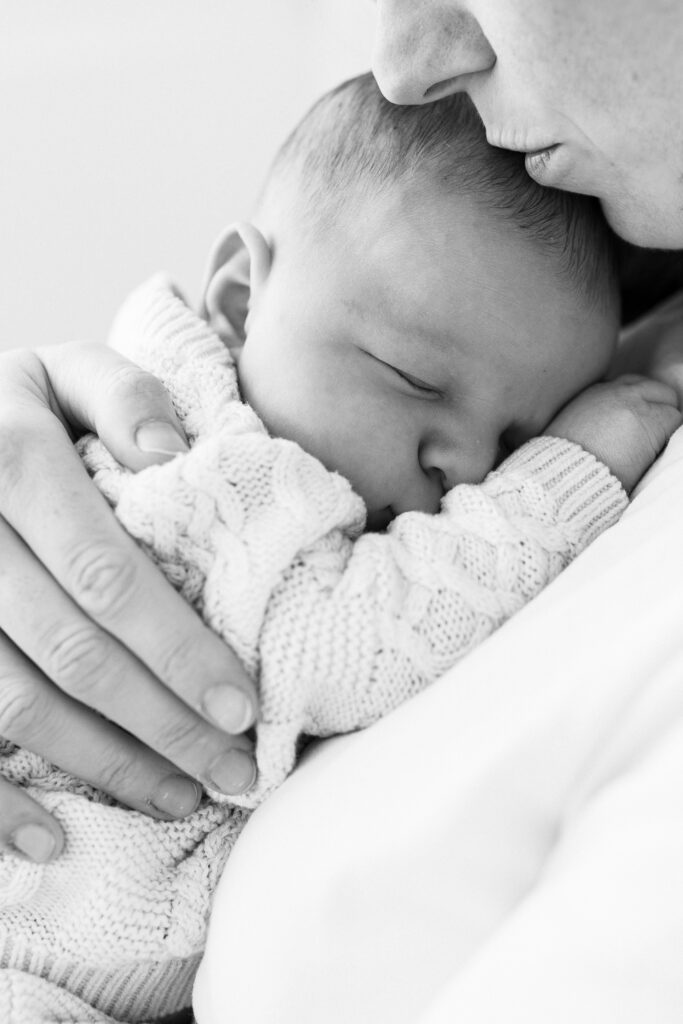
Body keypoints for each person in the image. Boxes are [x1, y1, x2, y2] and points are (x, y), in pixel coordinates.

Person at [2, 73, 679, 1023]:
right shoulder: (217, 479)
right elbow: (347, 644)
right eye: (412, 378)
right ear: (239, 303)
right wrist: (567, 469)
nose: (467, 470)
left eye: (517, 441)